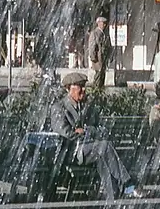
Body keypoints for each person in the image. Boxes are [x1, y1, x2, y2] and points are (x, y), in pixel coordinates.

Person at [51, 72, 141, 200]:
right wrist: (81, 134)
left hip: (90, 148)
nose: (83, 90)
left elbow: (98, 128)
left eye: (84, 86)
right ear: (68, 88)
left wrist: (86, 131)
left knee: (102, 157)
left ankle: (113, 196)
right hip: (71, 151)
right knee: (104, 147)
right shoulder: (59, 107)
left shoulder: (87, 106)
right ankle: (128, 184)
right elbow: (64, 132)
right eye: (80, 86)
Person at [86, 15, 112, 91]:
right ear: (99, 23)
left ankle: (100, 90)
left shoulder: (105, 34)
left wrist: (109, 55)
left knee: (102, 75)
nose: (104, 25)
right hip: (97, 58)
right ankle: (95, 90)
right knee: (98, 75)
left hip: (103, 58)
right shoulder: (95, 33)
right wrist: (93, 57)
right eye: (103, 23)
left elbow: (109, 45)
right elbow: (92, 46)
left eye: (105, 23)